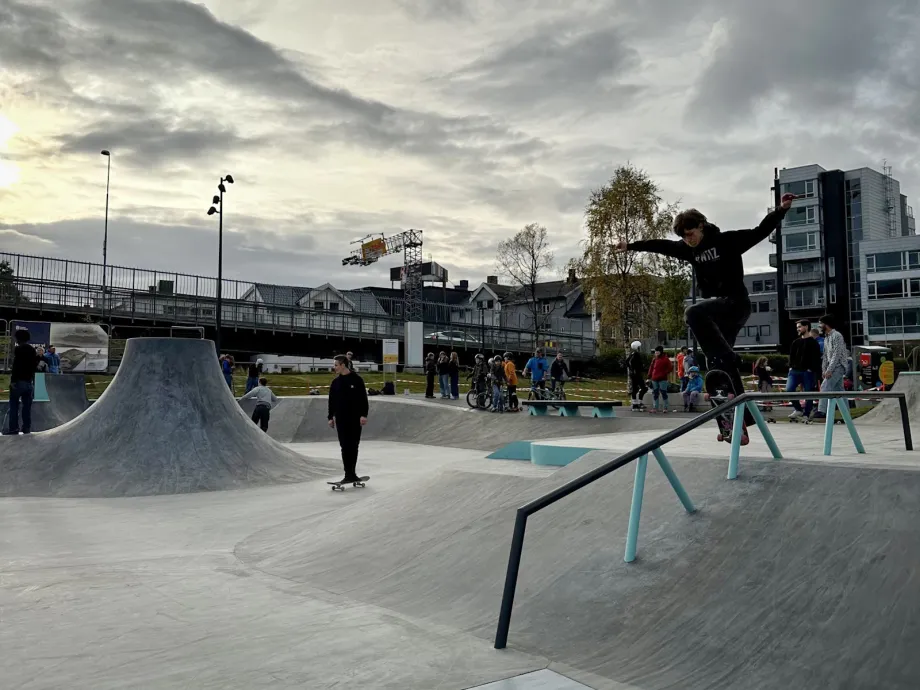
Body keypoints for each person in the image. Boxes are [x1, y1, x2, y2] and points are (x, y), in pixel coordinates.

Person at [617, 193, 795, 400]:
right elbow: (660, 246)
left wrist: (781, 210)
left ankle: (730, 359)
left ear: (701, 226)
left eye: (690, 234)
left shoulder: (727, 241)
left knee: (693, 313)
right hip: (720, 312)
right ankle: (737, 405)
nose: (688, 240)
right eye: (684, 237)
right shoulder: (687, 249)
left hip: (736, 304)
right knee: (718, 364)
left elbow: (760, 231)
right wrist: (630, 246)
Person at [327, 354, 369, 484]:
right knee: (344, 446)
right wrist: (330, 417)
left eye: (336, 365)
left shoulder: (357, 380)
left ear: (343, 365)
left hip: (355, 418)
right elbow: (331, 401)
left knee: (354, 445)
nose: (334, 368)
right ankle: (348, 474)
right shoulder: (335, 382)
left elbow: (363, 399)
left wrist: (363, 415)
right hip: (341, 418)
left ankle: (352, 473)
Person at [6, 328, 40, 435]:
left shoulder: (18, 349)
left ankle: (13, 428)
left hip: (18, 382)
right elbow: (34, 366)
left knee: (14, 406)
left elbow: (17, 366)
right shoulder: (32, 350)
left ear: (18, 339)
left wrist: (13, 381)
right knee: (26, 407)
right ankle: (26, 428)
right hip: (29, 383)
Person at [813, 314, 848, 420]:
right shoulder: (826, 338)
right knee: (839, 391)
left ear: (826, 324)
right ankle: (846, 415)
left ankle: (822, 411)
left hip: (839, 366)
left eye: (821, 324)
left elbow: (837, 354)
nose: (819, 326)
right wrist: (824, 370)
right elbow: (825, 356)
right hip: (831, 367)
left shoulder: (837, 336)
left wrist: (829, 370)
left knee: (825, 386)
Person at [786, 320, 821, 420]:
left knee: (808, 392)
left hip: (807, 372)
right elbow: (791, 356)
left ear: (806, 327)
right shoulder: (796, 342)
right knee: (789, 389)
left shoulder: (814, 343)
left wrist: (811, 369)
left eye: (799, 327)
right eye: (797, 327)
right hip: (794, 371)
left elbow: (816, 358)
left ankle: (806, 414)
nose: (798, 329)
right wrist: (791, 367)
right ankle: (798, 409)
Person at [647, 345, 673, 413]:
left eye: (657, 351)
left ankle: (665, 407)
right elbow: (651, 368)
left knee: (664, 393)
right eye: (655, 352)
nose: (656, 353)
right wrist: (649, 376)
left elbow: (670, 367)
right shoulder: (654, 359)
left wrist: (665, 372)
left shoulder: (665, 359)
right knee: (655, 393)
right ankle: (655, 408)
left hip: (663, 379)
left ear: (661, 352)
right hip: (654, 378)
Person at [626, 340, 648, 411]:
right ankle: (639, 403)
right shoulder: (637, 355)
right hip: (637, 374)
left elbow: (627, 362)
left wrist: (631, 369)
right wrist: (641, 368)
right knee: (644, 388)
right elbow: (639, 365)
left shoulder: (631, 354)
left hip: (632, 374)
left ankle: (634, 404)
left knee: (635, 389)